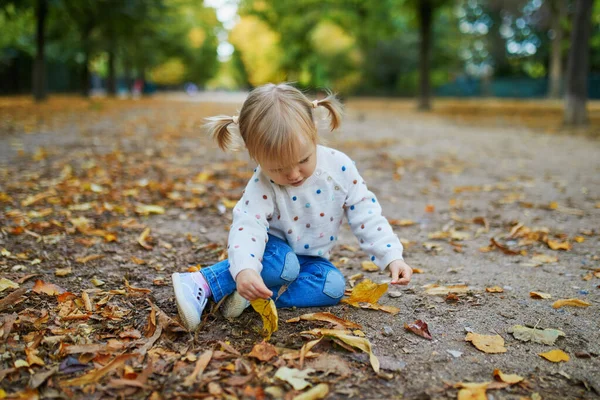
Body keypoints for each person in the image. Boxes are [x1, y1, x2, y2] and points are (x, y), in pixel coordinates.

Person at [172, 83, 413, 331]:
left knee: (332, 286)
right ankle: (202, 282)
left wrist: (391, 256)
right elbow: (248, 227)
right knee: (285, 264)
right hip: (272, 252)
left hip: (311, 259)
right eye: (278, 168)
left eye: (303, 160)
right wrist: (245, 270)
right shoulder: (262, 183)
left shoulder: (339, 168)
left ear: (313, 132)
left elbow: (366, 213)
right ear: (254, 155)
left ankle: (256, 297)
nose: (294, 174)